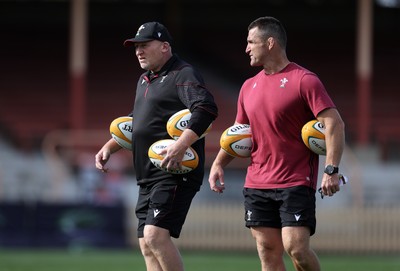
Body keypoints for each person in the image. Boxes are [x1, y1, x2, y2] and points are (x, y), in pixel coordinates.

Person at [208, 16, 345, 271]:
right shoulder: (248, 87)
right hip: (257, 182)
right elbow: (239, 134)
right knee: (268, 252)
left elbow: (334, 124)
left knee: (297, 249)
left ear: (270, 43)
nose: (246, 48)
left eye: (251, 42)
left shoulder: (305, 80)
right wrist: (218, 164)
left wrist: (331, 169)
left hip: (295, 180)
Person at [95, 21, 218, 271]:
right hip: (147, 175)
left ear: (164, 46)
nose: (138, 51)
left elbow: (206, 108)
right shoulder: (144, 79)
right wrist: (110, 146)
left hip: (174, 172)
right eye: (136, 46)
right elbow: (137, 120)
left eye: (144, 45)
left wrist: (182, 144)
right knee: (146, 246)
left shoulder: (183, 74)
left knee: (154, 236)